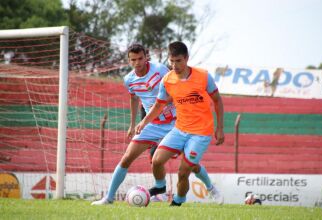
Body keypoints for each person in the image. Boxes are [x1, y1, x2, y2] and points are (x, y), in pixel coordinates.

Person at [91, 43, 220, 205]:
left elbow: (177, 89)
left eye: (140, 58)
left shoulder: (160, 70)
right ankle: (110, 198)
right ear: (129, 60)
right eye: (133, 60)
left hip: (176, 123)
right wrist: (133, 124)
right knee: (126, 158)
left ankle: (210, 187)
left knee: (190, 165)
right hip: (152, 124)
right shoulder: (129, 79)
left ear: (146, 57)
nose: (137, 63)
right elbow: (134, 98)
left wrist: (165, 104)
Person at [135, 41, 225, 206]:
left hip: (201, 132)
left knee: (184, 171)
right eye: (171, 61)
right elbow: (158, 106)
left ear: (186, 59)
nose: (175, 65)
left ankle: (178, 201)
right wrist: (144, 122)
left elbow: (218, 101)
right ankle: (161, 187)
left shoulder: (203, 76)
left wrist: (220, 128)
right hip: (180, 129)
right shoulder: (167, 80)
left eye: (178, 61)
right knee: (156, 161)